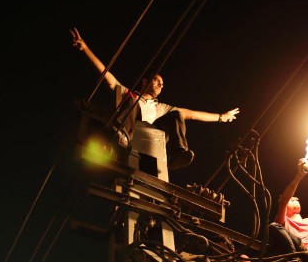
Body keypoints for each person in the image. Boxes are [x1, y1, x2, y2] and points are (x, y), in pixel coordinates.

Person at [70, 27, 240, 170]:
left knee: (176, 114)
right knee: (132, 101)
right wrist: (85, 48)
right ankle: (121, 135)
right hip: (129, 132)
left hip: (149, 138)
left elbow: (192, 114)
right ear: (145, 81)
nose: (160, 85)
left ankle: (177, 153)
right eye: (157, 81)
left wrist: (220, 117)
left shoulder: (161, 108)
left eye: (162, 84)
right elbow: (107, 76)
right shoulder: (130, 95)